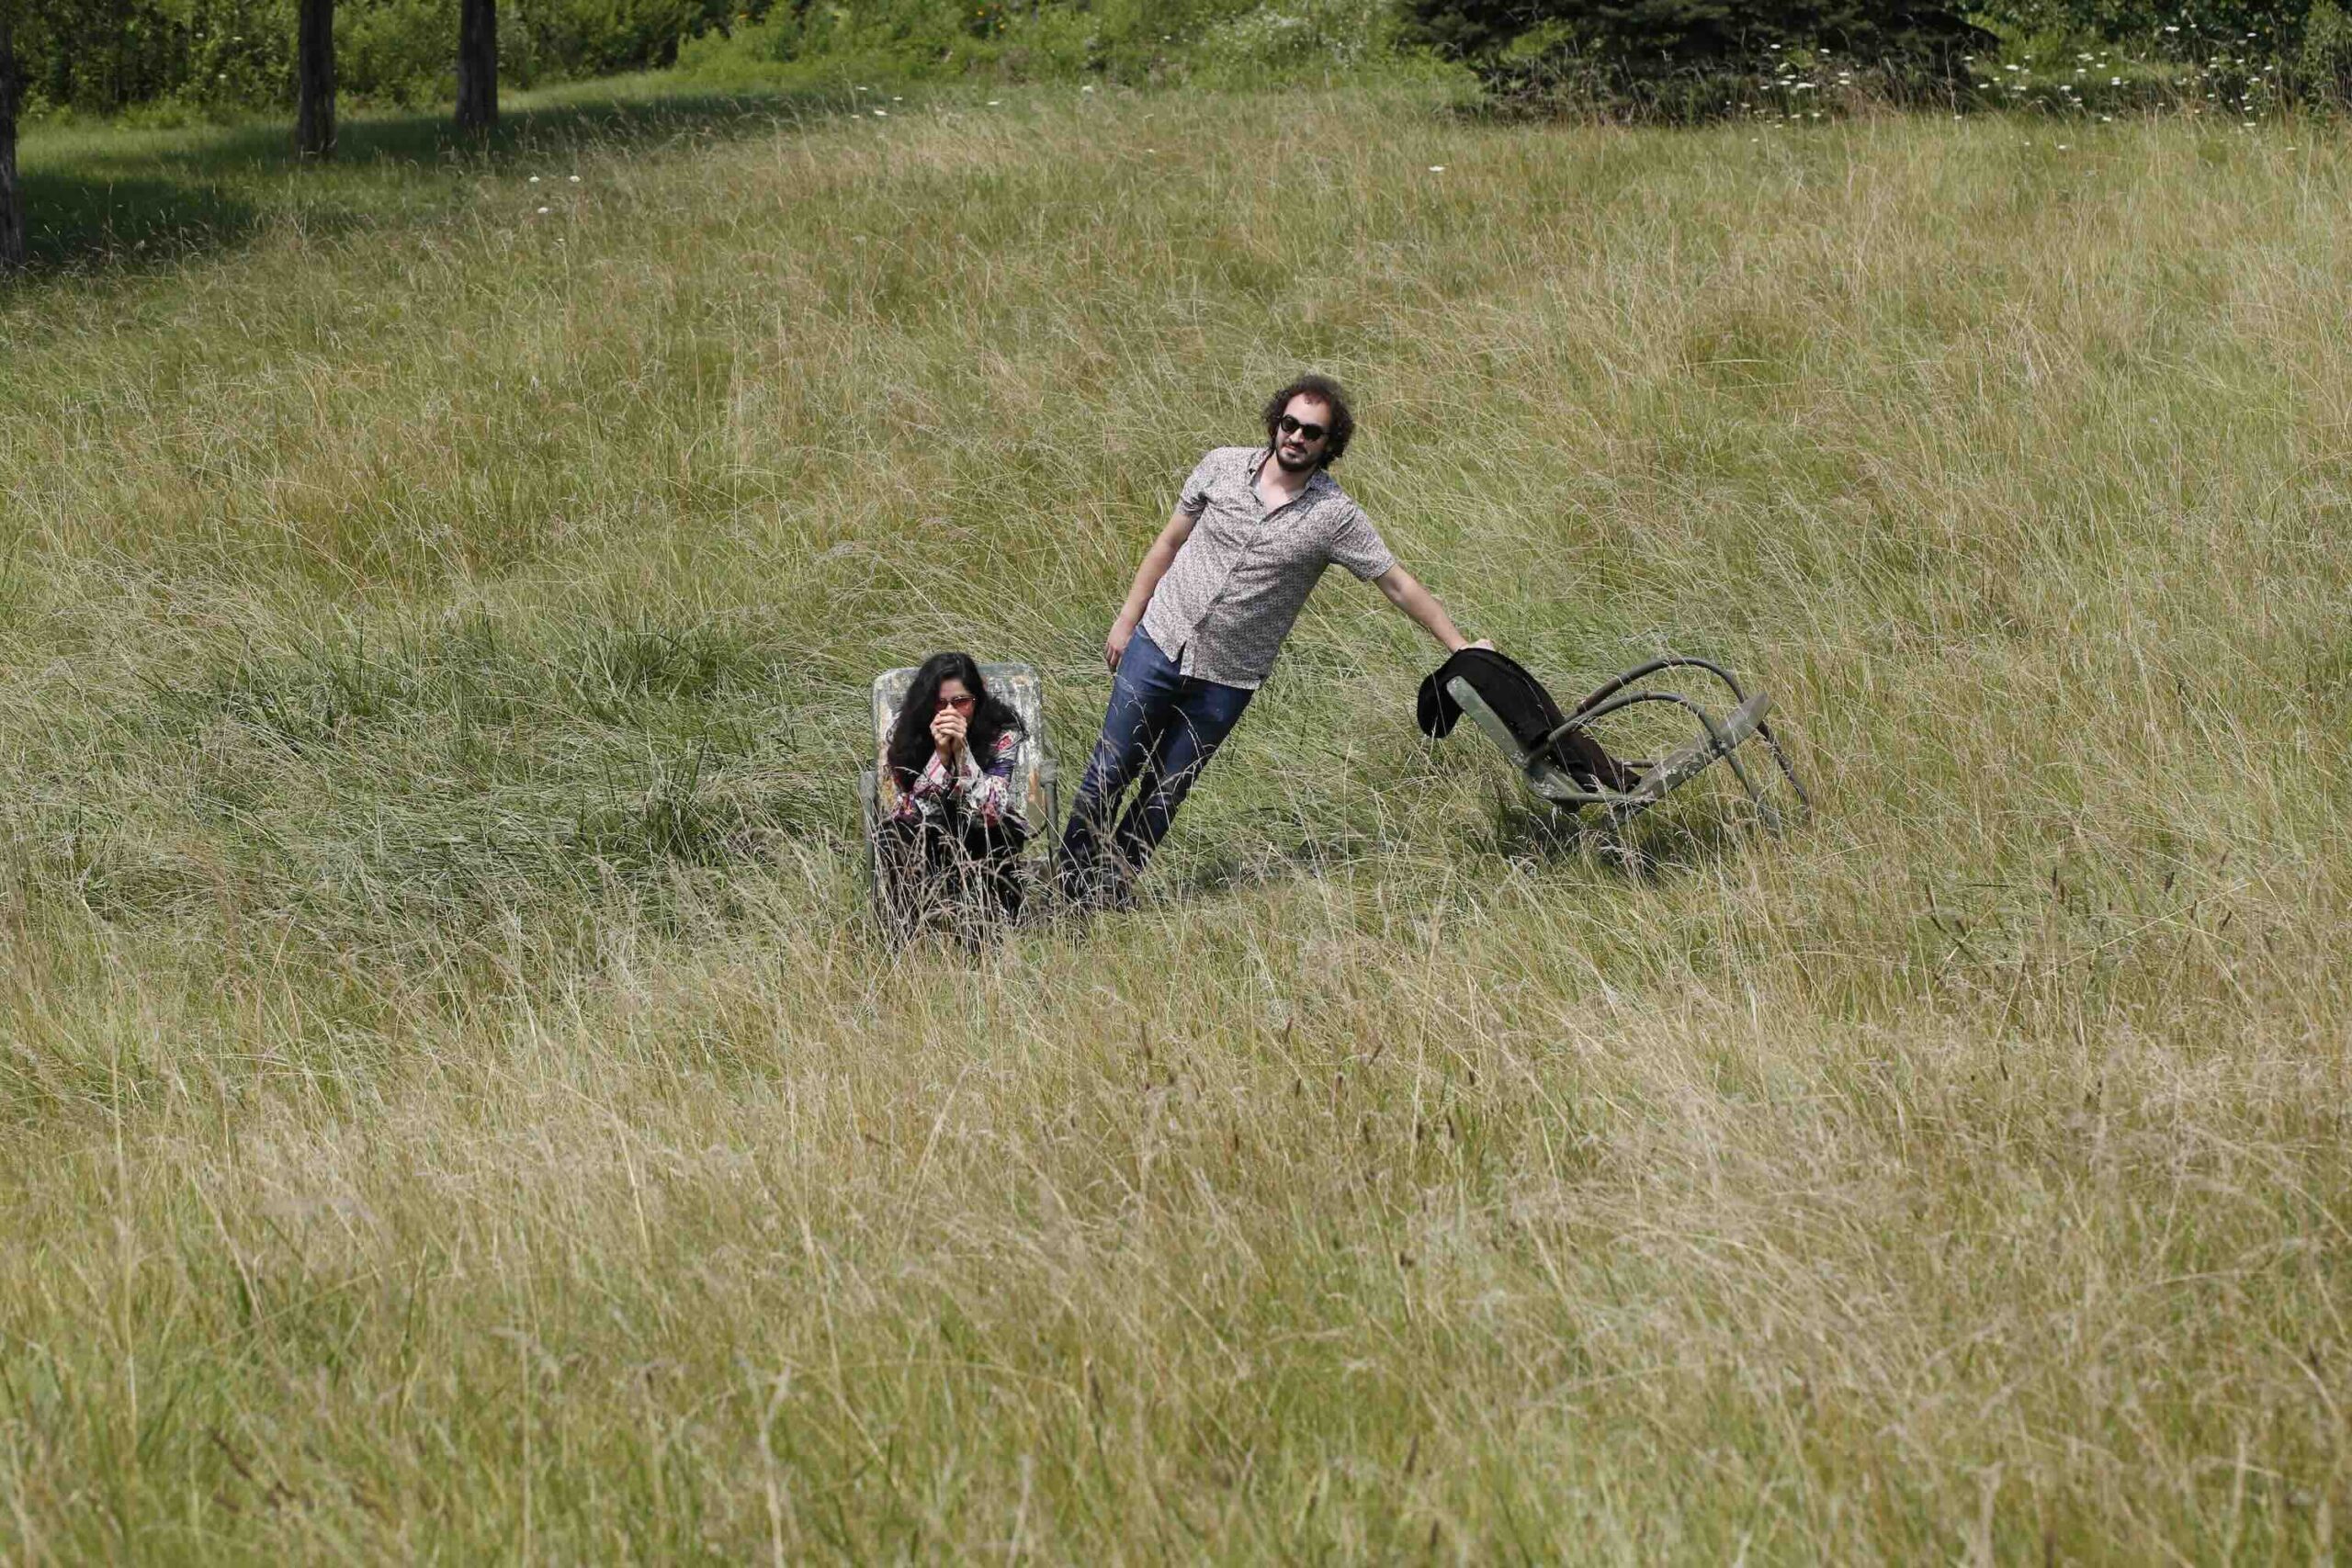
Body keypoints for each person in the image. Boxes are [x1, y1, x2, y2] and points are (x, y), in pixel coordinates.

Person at [1057, 373, 1490, 905]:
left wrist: (1459, 646)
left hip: (1226, 680)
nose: (1297, 437)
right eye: (1290, 424)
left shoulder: (1334, 517)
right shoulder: (1221, 466)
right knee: (1108, 772)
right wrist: (1127, 620)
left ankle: (1107, 894)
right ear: (1276, 423)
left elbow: (1397, 583)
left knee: (1164, 793)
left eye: (1312, 432)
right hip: (1159, 644)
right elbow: (1168, 543)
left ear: (1330, 444)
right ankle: (1065, 890)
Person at [877, 653, 1031, 933]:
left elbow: (993, 809)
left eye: (961, 702)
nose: (951, 712)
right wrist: (940, 757)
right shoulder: (904, 730)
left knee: (1003, 833)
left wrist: (962, 755)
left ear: (976, 700)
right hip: (924, 829)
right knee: (893, 835)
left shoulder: (1002, 731)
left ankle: (999, 932)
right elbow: (908, 807)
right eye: (940, 703)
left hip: (981, 828)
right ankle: (904, 935)